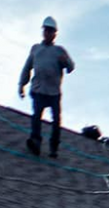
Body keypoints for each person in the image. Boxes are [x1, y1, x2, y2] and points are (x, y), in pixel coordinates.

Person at [18, 15, 75, 157]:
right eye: (46, 30)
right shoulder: (35, 49)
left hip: (54, 93)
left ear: (55, 33)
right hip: (38, 90)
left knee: (56, 120)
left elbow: (71, 67)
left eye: (51, 31)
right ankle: (35, 142)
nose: (48, 33)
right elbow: (27, 68)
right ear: (43, 32)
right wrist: (21, 84)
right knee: (36, 116)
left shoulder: (59, 51)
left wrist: (65, 61)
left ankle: (53, 147)